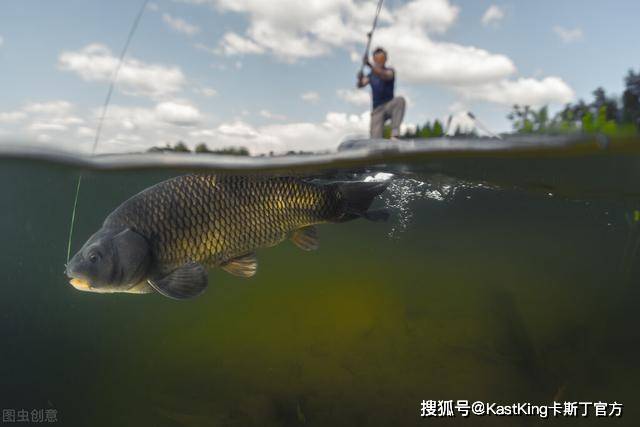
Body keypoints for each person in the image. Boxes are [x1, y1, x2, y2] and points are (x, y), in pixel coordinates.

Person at [357, 47, 406, 139]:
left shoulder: (390, 71)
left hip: (389, 105)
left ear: (385, 59)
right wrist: (359, 78)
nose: (380, 61)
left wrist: (369, 65)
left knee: (400, 101)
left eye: (382, 59)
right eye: (377, 59)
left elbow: (385, 75)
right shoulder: (370, 75)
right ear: (374, 59)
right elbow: (360, 85)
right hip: (377, 110)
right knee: (375, 140)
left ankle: (395, 134)